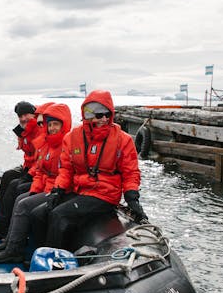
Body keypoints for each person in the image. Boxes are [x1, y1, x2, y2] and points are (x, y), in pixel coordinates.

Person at [38, 90, 147, 251]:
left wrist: (132, 198)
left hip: (104, 195)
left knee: (59, 215)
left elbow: (130, 172)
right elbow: (66, 168)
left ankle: (54, 264)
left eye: (106, 114)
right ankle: (37, 254)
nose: (103, 119)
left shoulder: (122, 140)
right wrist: (58, 189)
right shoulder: (73, 137)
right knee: (39, 213)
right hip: (80, 191)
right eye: (98, 114)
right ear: (88, 115)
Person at [0, 103, 72, 263]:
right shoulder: (47, 144)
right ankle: (9, 241)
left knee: (23, 202)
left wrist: (55, 190)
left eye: (55, 124)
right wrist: (35, 190)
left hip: (58, 190)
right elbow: (41, 171)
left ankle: (14, 249)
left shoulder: (66, 144)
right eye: (48, 124)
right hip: (46, 185)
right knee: (21, 197)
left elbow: (66, 172)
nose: (50, 128)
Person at [0, 101, 42, 240]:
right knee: (7, 176)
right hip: (28, 167)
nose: (23, 118)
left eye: (26, 115)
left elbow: (41, 158)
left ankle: (5, 227)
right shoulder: (24, 131)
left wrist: (29, 174)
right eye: (20, 116)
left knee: (14, 185)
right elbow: (28, 156)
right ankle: (0, 220)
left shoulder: (39, 130)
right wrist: (26, 170)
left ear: (33, 114)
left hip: (37, 171)